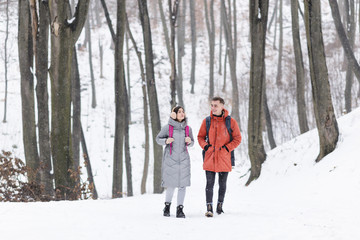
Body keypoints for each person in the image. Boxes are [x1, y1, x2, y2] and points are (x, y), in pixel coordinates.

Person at [197, 97, 241, 217]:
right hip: (210, 157)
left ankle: (220, 206)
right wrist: (206, 147)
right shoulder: (207, 121)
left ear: (222, 106)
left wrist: (227, 148)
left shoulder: (231, 122)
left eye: (216, 105)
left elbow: (238, 138)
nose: (213, 108)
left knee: (222, 184)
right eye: (212, 105)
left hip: (224, 158)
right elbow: (200, 137)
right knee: (209, 184)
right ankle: (209, 207)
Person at [156, 106, 194, 218]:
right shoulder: (167, 128)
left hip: (183, 160)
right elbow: (158, 139)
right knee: (171, 185)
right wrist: (166, 141)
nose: (182, 113)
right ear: (174, 114)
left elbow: (192, 143)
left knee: (183, 186)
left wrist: (190, 141)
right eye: (179, 112)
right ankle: (167, 207)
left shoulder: (188, 129)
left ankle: (180, 209)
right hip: (170, 160)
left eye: (183, 111)